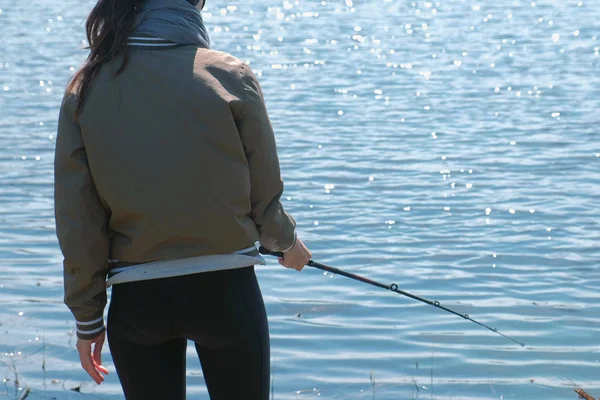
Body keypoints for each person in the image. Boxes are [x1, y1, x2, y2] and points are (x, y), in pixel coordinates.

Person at [53, 0, 311, 398]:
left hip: (137, 304)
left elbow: (79, 222)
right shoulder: (229, 75)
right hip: (227, 296)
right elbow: (265, 203)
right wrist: (287, 244)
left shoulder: (84, 89)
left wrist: (88, 318)